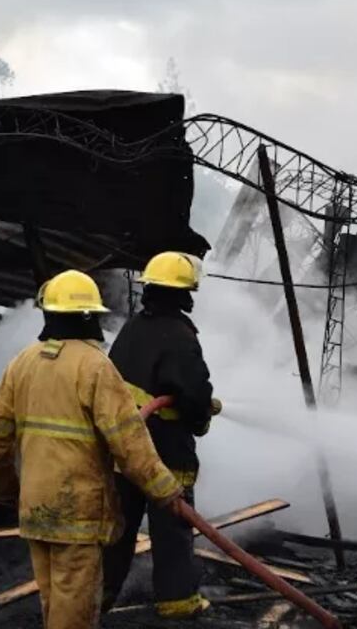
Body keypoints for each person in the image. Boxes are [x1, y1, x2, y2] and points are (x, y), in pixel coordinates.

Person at [0, 269, 184, 629]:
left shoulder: (22, 363)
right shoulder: (94, 367)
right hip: (77, 512)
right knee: (74, 611)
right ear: (88, 316)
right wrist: (165, 489)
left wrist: (7, 489)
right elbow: (129, 441)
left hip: (36, 507)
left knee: (53, 601)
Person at [102, 251, 217, 619]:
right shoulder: (180, 335)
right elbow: (194, 392)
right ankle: (177, 602)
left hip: (125, 448)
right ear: (183, 292)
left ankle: (94, 601)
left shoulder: (133, 328)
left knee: (117, 531)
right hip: (166, 446)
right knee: (173, 526)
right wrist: (200, 418)